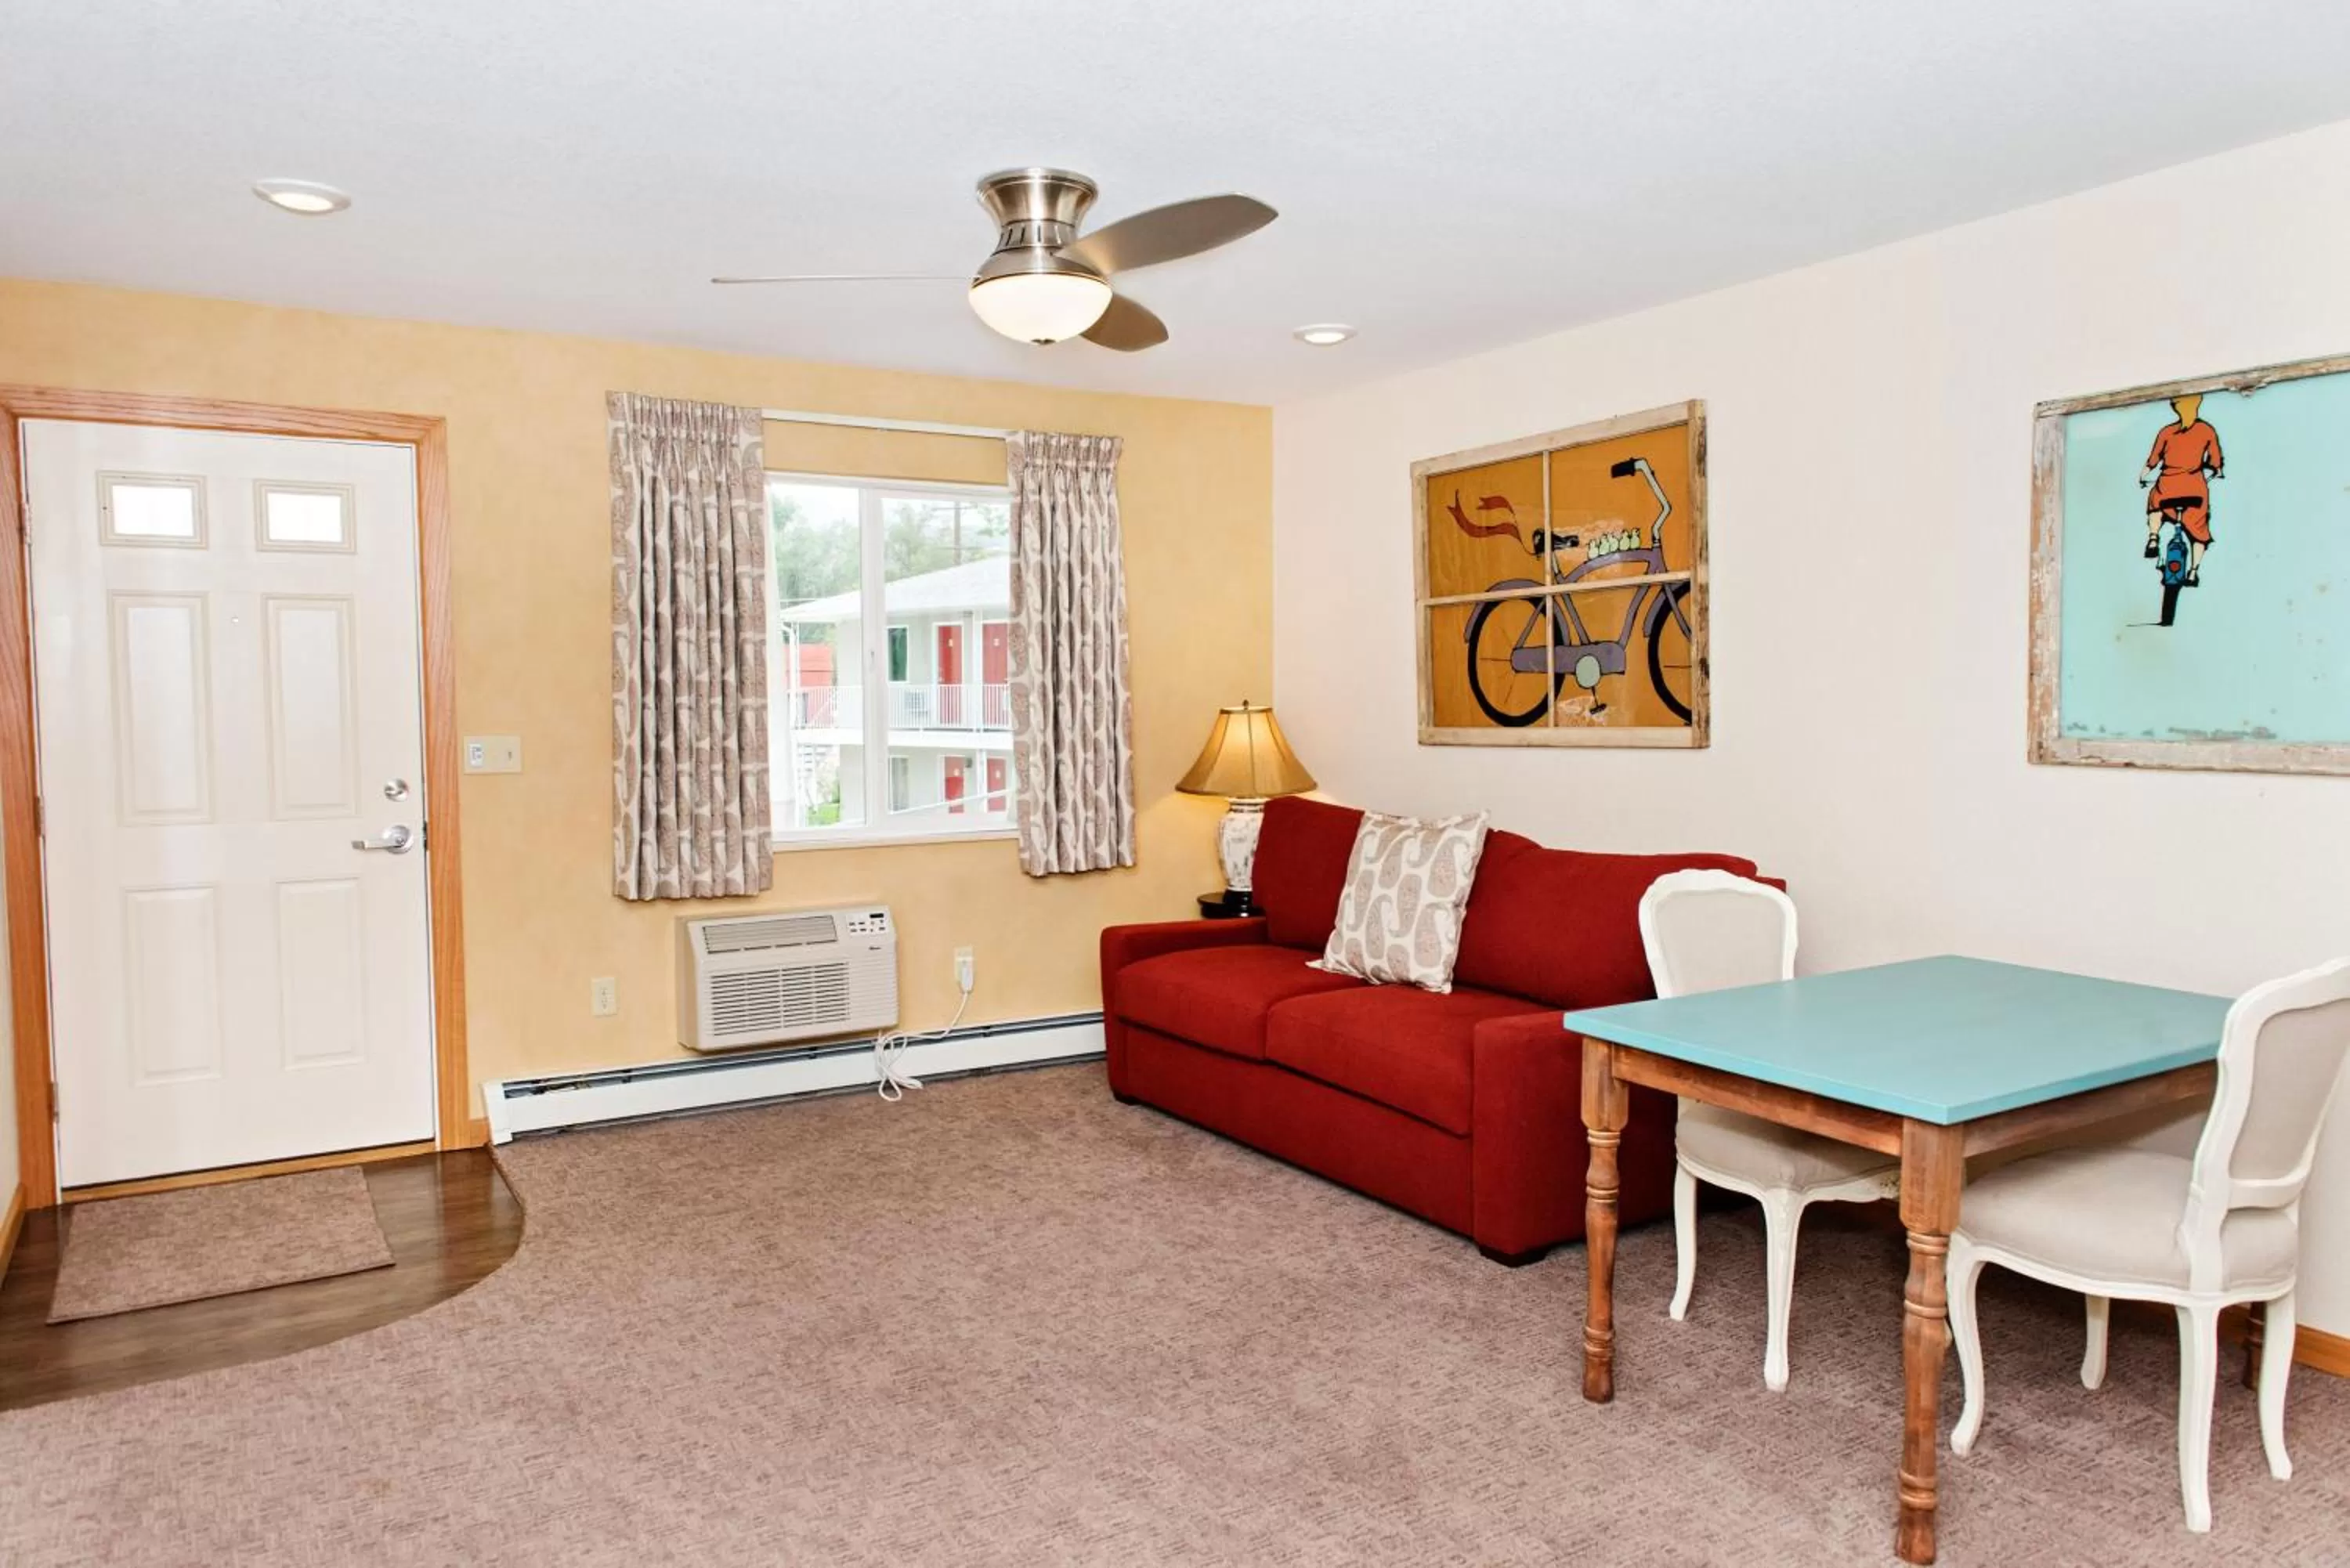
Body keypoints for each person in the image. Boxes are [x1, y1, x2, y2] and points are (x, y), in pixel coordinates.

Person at [2141, 393, 2223, 585]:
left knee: (2155, 501)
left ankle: (2153, 538)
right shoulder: (2207, 430)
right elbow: (2216, 461)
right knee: (2200, 531)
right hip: (2194, 488)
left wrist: (2143, 476)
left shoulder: (2166, 432)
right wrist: (2217, 471)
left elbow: (2153, 460)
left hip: (2168, 485)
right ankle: (2193, 572)